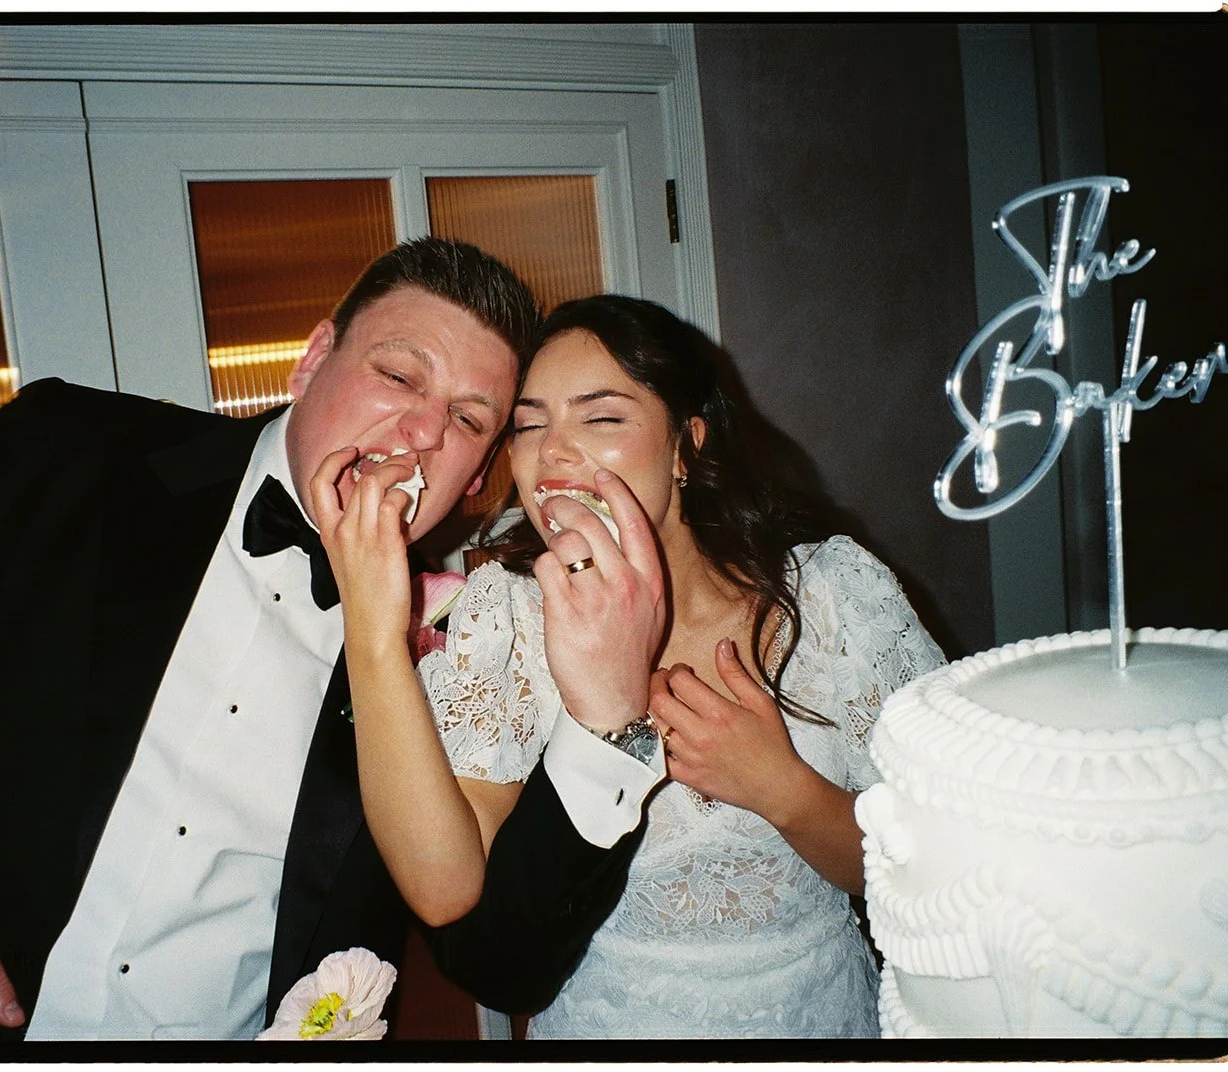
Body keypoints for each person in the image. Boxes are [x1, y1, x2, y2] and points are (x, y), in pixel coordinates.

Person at [0, 239, 653, 1043]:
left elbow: (500, 960)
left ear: (481, 473)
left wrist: (608, 720)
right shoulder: (75, 451)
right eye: (399, 375)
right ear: (314, 359)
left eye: (468, 420)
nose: (419, 433)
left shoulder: (461, 638)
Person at [326, 293, 947, 1038]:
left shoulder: (836, 592)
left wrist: (783, 789)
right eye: (528, 425)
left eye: (602, 417)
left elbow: (937, 875)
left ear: (688, 445)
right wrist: (372, 624)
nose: (552, 453)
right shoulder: (510, 613)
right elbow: (441, 887)